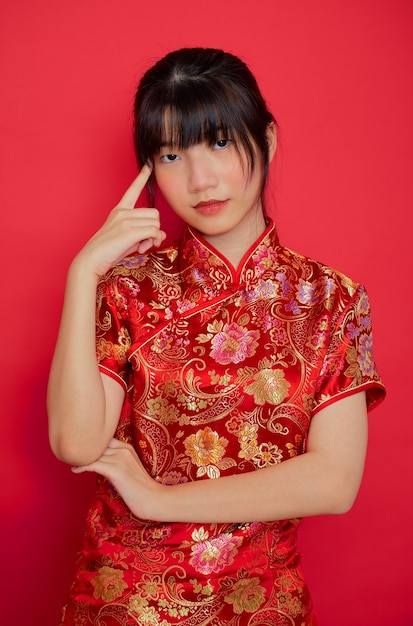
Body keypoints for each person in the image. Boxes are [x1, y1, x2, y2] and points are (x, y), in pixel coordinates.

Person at [47, 47, 385, 626]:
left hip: (266, 604)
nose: (200, 179)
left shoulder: (331, 299)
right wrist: (83, 275)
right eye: (172, 154)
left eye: (221, 142)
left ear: (269, 140)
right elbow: (76, 443)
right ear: (150, 169)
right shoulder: (128, 290)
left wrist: (161, 500)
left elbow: (333, 481)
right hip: (126, 601)